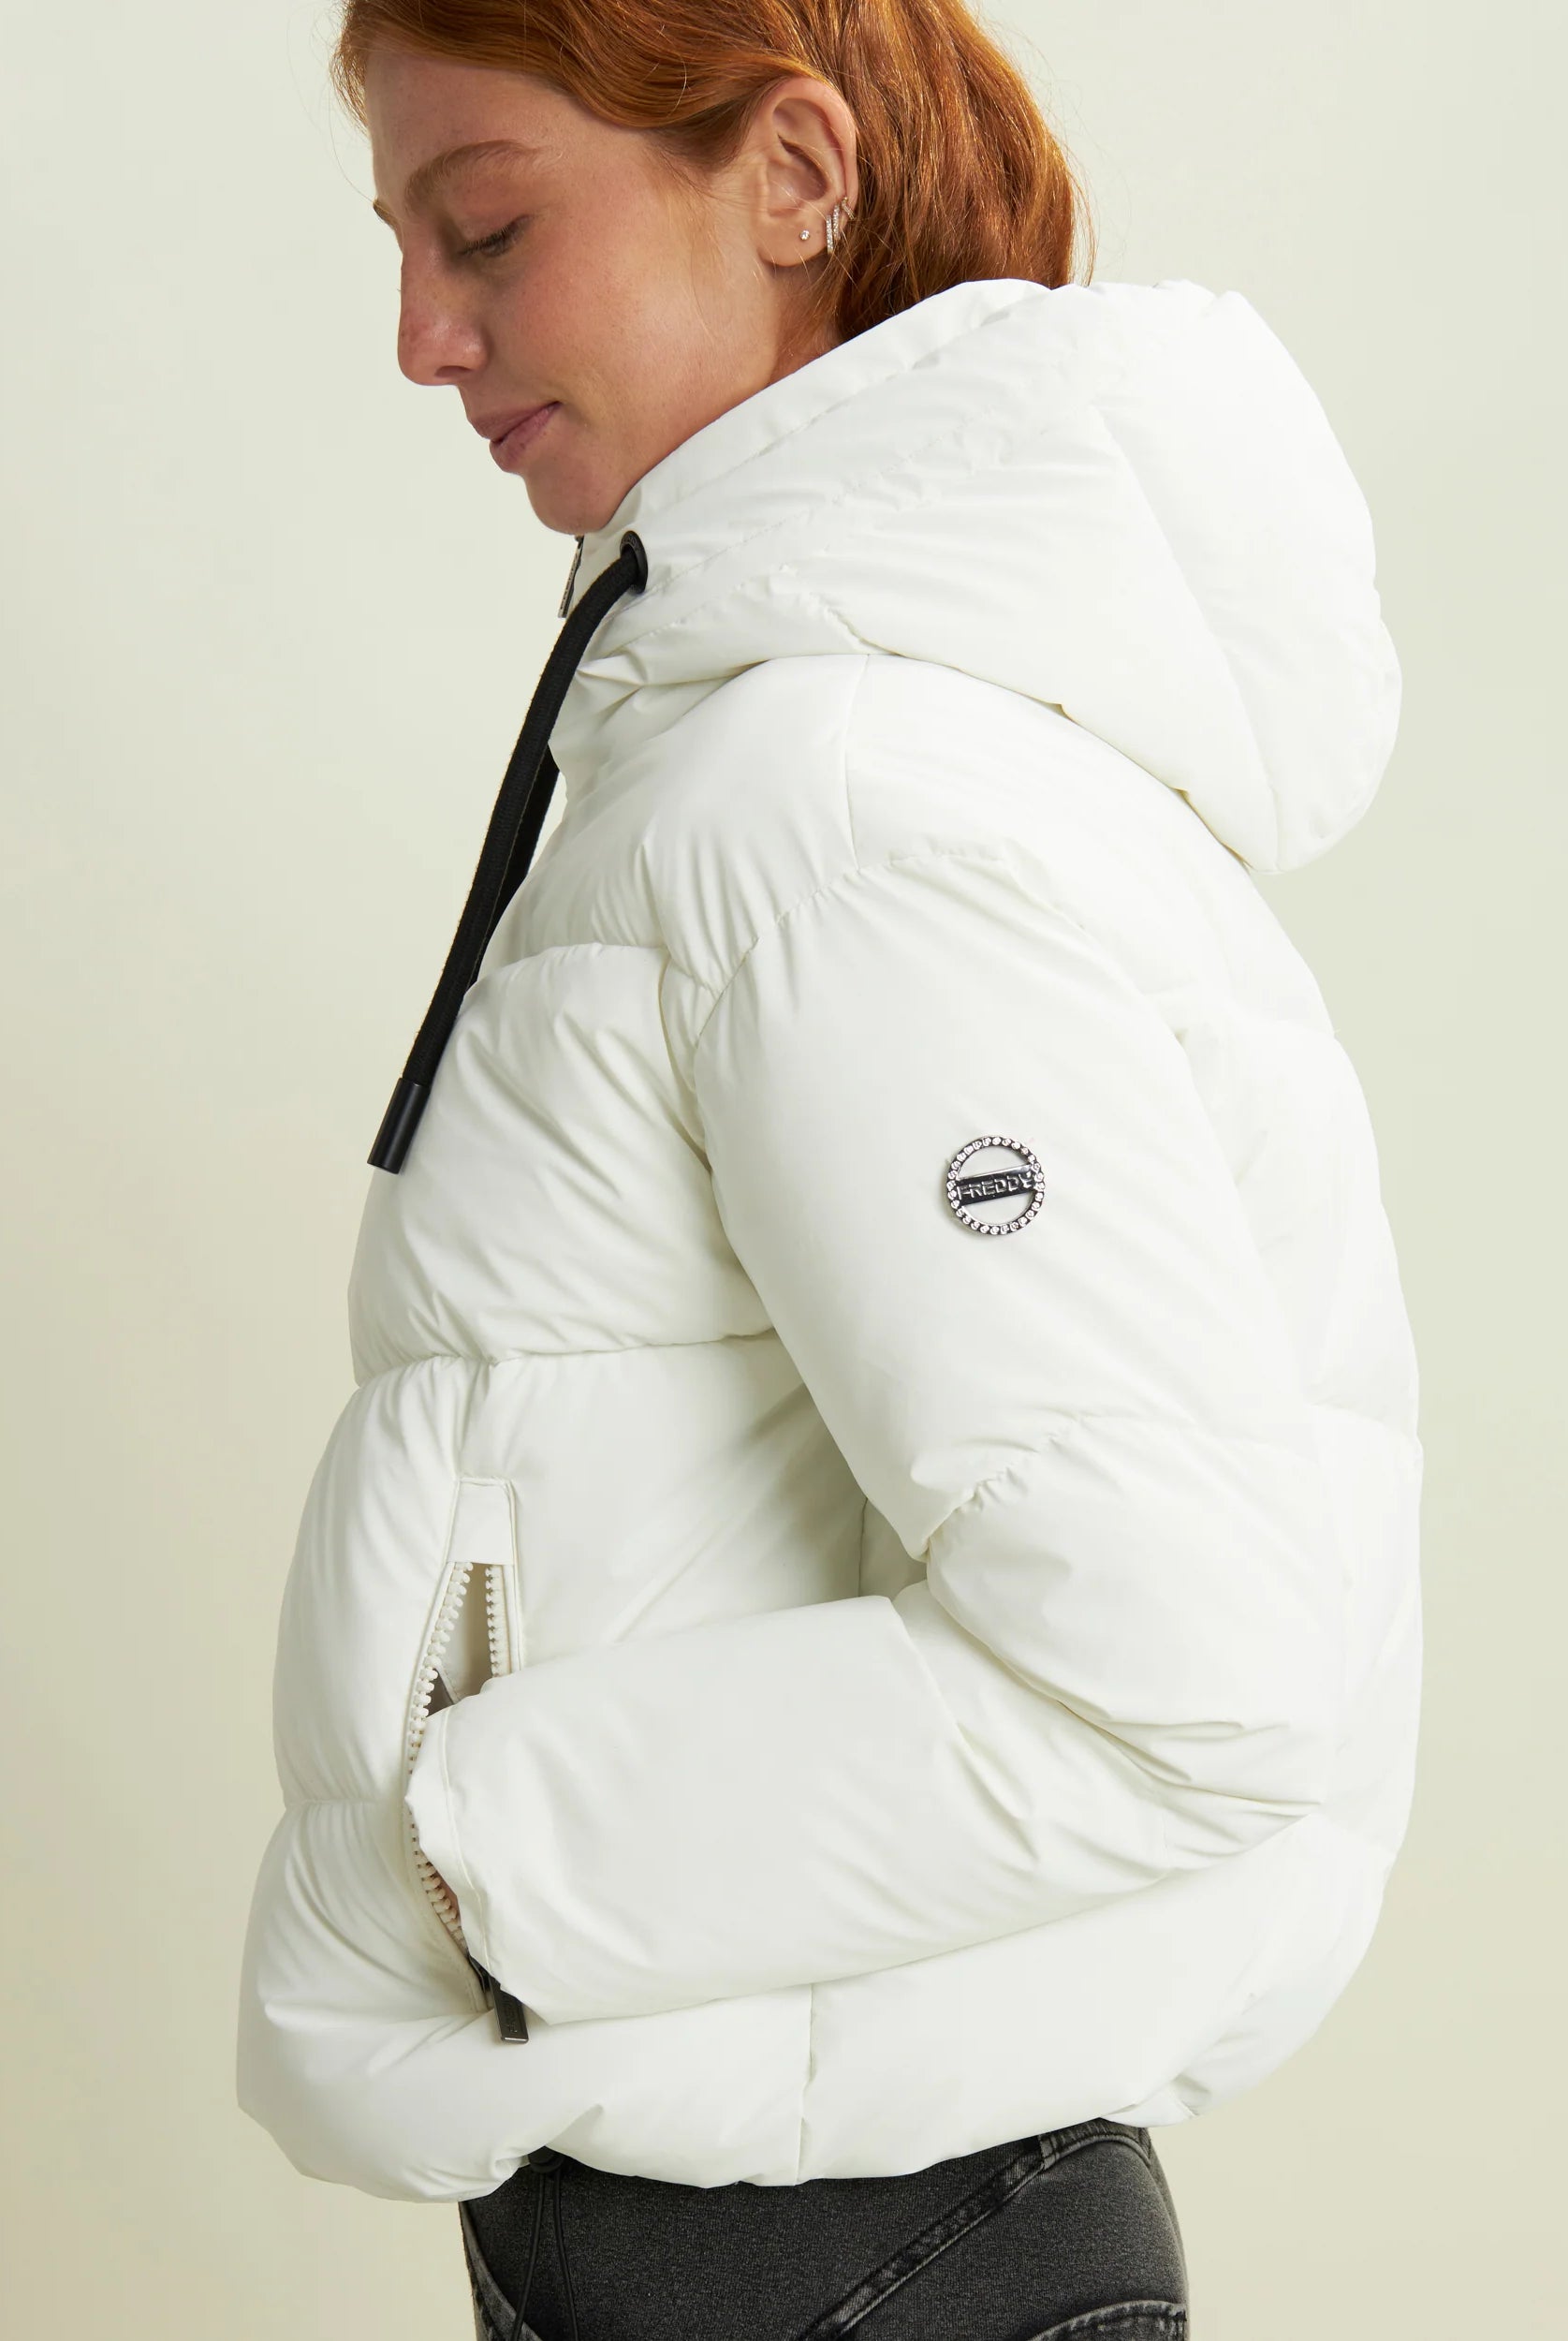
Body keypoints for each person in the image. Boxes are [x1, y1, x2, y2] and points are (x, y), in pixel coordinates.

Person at [236, 3, 1424, 2335]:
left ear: (791, 175)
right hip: (812, 2224)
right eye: (401, 245)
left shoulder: (844, 808)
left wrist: (457, 1860)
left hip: (847, 2254)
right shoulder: (797, 757)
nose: (420, 336)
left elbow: (1175, 1672)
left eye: (486, 228)